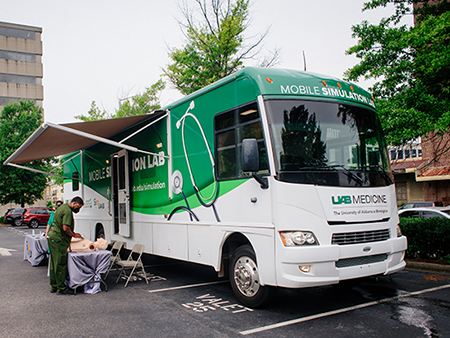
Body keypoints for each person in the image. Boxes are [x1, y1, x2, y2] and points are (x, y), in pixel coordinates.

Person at [47, 196, 84, 295]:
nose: (78, 209)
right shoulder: (67, 211)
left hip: (52, 237)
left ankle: (54, 285)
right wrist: (74, 235)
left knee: (54, 263)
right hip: (59, 239)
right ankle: (61, 288)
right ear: (74, 203)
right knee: (60, 263)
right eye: (78, 207)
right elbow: (65, 228)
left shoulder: (62, 207)